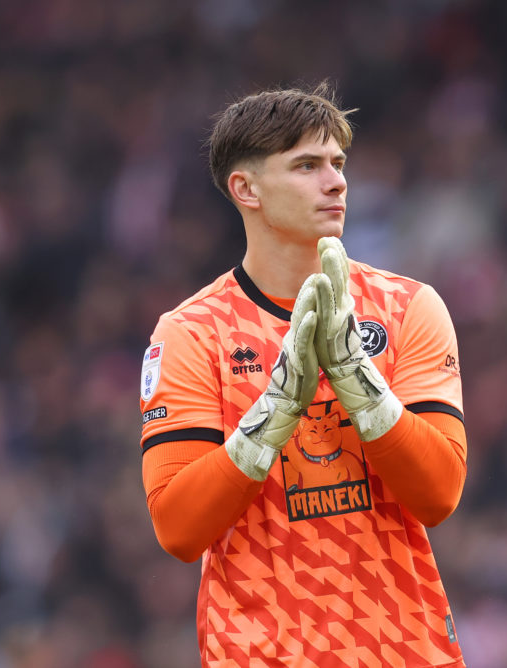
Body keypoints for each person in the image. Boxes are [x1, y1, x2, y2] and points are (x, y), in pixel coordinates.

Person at [139, 82, 469, 667]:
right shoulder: (191, 332)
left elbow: (439, 494)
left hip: (402, 652)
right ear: (246, 189)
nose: (337, 181)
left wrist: (359, 384)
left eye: (339, 164)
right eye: (307, 165)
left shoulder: (410, 307)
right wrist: (270, 417)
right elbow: (178, 530)